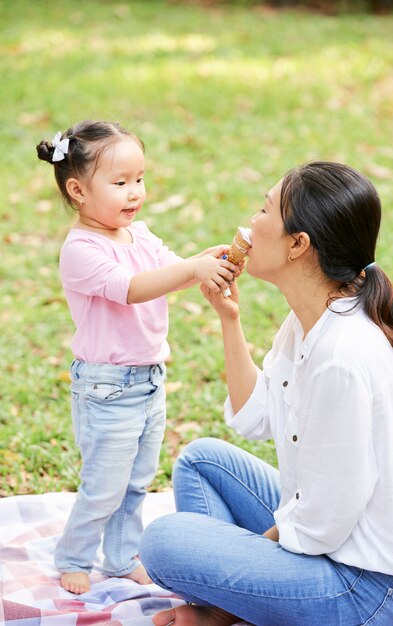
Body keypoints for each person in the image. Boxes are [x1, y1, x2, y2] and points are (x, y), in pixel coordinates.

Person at [139, 161, 393, 626]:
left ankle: (227, 608)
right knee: (201, 462)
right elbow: (255, 418)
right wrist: (229, 319)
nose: (250, 223)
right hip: (328, 546)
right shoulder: (311, 318)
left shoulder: (342, 356)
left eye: (264, 210)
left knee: (164, 542)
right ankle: (235, 604)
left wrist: (236, 568)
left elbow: (325, 520)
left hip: (365, 587)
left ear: (298, 244)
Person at [36, 120, 238, 595]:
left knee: (136, 482)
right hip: (106, 386)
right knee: (104, 485)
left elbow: (170, 271)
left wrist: (204, 262)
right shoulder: (81, 250)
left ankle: (122, 556)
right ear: (77, 190)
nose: (135, 193)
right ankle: (74, 556)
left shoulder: (139, 235)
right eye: (120, 183)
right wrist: (192, 268)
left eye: (140, 180)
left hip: (149, 380)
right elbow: (130, 289)